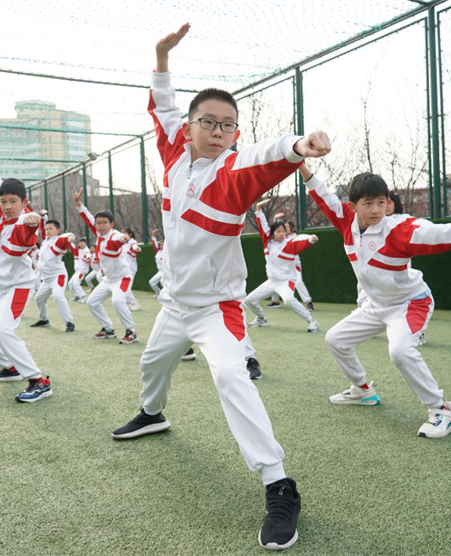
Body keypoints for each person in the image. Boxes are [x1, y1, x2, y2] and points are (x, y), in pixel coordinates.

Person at [111, 24, 332, 551]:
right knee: (152, 365)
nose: (217, 131)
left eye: (227, 125)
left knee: (233, 376)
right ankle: (153, 414)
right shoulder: (173, 153)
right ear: (189, 128)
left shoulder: (233, 171)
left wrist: (299, 145)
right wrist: (161, 57)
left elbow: (265, 156)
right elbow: (163, 107)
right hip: (174, 304)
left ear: (235, 132)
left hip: (216, 307)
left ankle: (279, 485)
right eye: (207, 122)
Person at [302, 161, 451, 439]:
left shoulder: (398, 228)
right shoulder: (346, 220)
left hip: (410, 303)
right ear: (353, 206)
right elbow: (323, 196)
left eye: (381, 202)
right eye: (368, 203)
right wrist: (302, 167)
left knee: (400, 351)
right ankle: (363, 391)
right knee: (335, 339)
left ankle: (442, 411)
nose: (376, 210)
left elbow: (433, 232)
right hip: (375, 305)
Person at [0, 138, 52, 403]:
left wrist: (31, 221)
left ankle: (38, 381)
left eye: (13, 202)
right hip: (1, 287)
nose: (7, 206)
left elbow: (27, 230)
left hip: (20, 286)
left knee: (3, 332)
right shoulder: (3, 216)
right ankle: (11, 367)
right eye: (3, 201)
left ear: (23, 202)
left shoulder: (23, 223)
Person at [74, 188, 138, 344]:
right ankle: (108, 329)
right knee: (92, 301)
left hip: (123, 277)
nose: (101, 225)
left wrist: (123, 238)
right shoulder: (99, 233)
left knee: (117, 301)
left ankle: (131, 332)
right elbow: (88, 217)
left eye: (105, 223)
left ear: (112, 224)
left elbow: (118, 239)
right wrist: (78, 203)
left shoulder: (114, 235)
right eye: (98, 223)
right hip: (108, 279)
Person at [246, 199, 320, 333]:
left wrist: (311, 238)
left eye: (283, 231)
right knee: (250, 299)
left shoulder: (289, 244)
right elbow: (263, 226)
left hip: (286, 281)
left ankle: (312, 321)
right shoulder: (267, 243)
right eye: (278, 231)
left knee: (289, 300)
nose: (282, 234)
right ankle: (261, 318)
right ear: (273, 233)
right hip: (271, 282)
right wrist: (258, 210)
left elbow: (299, 239)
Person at [30, 216, 76, 332]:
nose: (48, 231)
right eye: (47, 229)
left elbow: (66, 237)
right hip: (46, 278)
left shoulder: (58, 240)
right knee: (39, 298)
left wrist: (70, 237)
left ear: (58, 230)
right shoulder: (45, 241)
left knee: (57, 296)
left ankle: (69, 322)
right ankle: (44, 320)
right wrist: (43, 217)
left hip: (58, 275)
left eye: (51, 228)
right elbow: (42, 228)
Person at [266, 217, 315, 312]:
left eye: (287, 227)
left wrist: (311, 238)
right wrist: (276, 219)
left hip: (293, 266)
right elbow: (273, 231)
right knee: (274, 280)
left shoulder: (294, 237)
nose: (284, 229)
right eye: (284, 227)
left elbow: (302, 238)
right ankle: (275, 301)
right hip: (281, 266)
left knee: (299, 282)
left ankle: (308, 302)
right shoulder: (280, 238)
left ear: (292, 229)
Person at [122, 227, 143, 311]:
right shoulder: (123, 244)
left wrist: (137, 249)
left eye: (125, 233)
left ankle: (134, 303)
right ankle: (127, 303)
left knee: (126, 287)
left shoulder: (132, 242)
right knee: (123, 287)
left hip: (130, 269)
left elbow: (135, 248)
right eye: (122, 233)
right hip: (123, 269)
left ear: (130, 234)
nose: (123, 235)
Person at [68, 237, 91, 303]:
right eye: (80, 242)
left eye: (83, 242)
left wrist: (88, 258)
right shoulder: (78, 250)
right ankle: (76, 296)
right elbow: (72, 246)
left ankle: (84, 298)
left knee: (76, 283)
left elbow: (88, 256)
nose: (81, 243)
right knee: (70, 283)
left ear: (85, 243)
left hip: (82, 271)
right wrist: (69, 241)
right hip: (77, 271)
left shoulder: (86, 250)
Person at [148, 228, 165, 295]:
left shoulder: (167, 252)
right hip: (160, 271)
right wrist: (153, 234)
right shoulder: (157, 251)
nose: (161, 246)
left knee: (162, 282)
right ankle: (159, 293)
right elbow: (154, 243)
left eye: (162, 244)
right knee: (152, 282)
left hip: (166, 271)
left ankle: (167, 295)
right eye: (160, 244)